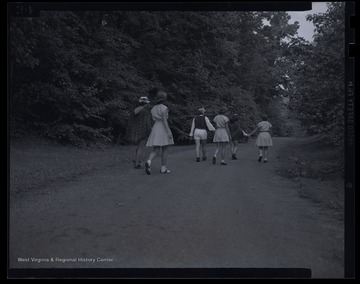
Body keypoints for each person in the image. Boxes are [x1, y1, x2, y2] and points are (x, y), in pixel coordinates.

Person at [145, 91, 174, 175]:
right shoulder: (164, 108)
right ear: (164, 99)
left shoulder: (153, 108)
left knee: (156, 149)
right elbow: (164, 120)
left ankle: (149, 161)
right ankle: (163, 168)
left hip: (155, 127)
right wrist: (169, 132)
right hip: (162, 128)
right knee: (165, 149)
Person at [125, 96, 152, 169]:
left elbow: (130, 123)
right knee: (141, 148)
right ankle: (137, 164)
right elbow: (148, 123)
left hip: (134, 132)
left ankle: (137, 160)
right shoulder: (145, 112)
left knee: (138, 148)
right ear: (145, 104)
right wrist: (150, 132)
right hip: (143, 132)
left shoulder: (134, 111)